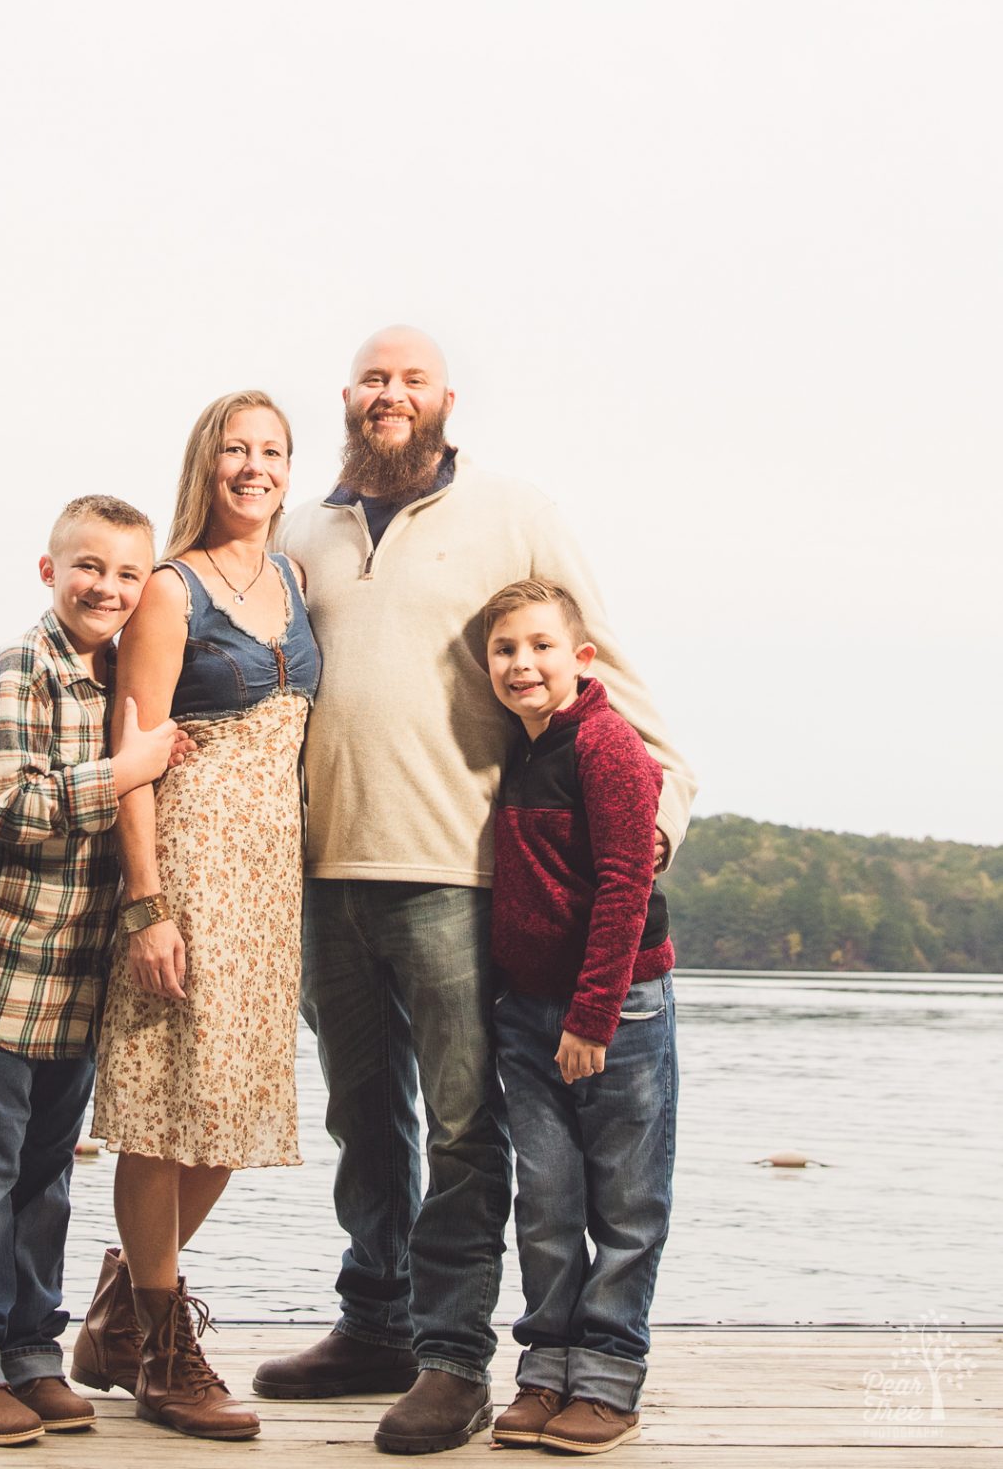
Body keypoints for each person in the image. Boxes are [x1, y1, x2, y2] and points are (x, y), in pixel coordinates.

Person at [252, 326, 695, 1456]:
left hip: (456, 873)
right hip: (326, 874)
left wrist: (658, 817)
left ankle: (452, 1359)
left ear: (446, 397)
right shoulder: (302, 527)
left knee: (463, 1127)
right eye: (371, 377)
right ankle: (376, 1321)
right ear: (346, 397)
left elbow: (600, 669)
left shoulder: (511, 511)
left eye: (411, 378)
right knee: (363, 1118)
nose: (388, 392)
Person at [0, 495, 192, 1448]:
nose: (106, 588)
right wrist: (129, 768)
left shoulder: (122, 675)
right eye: (88, 567)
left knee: (46, 1183)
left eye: (126, 574)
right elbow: (13, 807)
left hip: (77, 988)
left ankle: (30, 1353)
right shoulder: (18, 672)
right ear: (49, 571)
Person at [75, 391, 320, 1443]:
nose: (253, 467)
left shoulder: (294, 580)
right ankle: (164, 1353)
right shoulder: (169, 590)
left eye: (270, 451)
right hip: (189, 861)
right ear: (205, 462)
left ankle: (119, 1315)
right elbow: (135, 760)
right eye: (236, 449)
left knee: (229, 1111)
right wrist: (149, 905)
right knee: (167, 1106)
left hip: (272, 876)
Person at [484, 579, 676, 1455]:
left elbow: (626, 885)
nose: (522, 664)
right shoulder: (521, 748)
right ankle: (545, 1368)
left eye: (539, 647)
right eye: (504, 650)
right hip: (525, 1014)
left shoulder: (605, 744)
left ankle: (606, 1378)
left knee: (625, 1201)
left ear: (582, 659)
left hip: (613, 1012)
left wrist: (593, 1017)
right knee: (548, 1199)